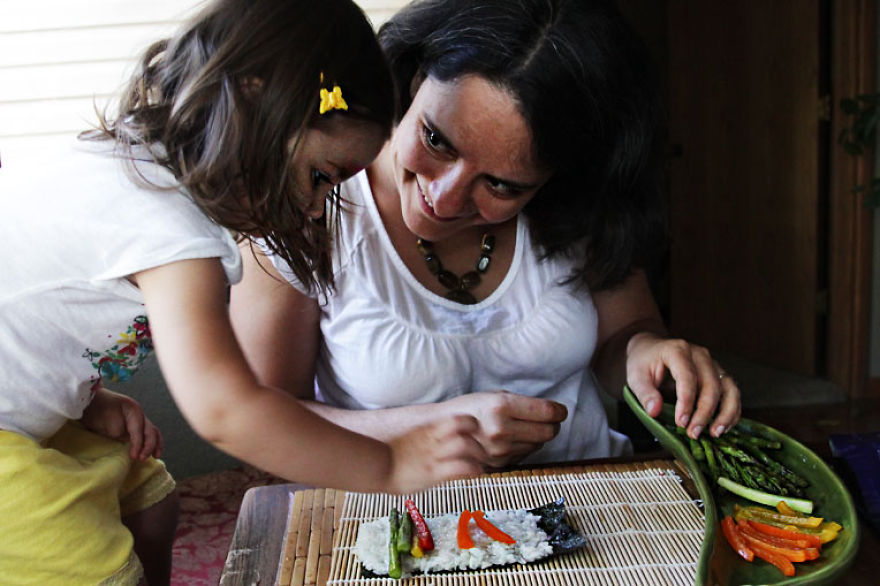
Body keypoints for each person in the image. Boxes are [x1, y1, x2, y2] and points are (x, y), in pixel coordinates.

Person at [0, 1, 488, 584]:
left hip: (21, 409)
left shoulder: (129, 169)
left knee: (153, 501)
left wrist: (86, 395)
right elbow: (226, 408)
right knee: (97, 570)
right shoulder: (170, 231)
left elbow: (33, 303)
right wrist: (388, 466)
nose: (313, 208)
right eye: (321, 177)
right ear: (257, 102)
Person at [231, 0, 742, 469]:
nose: (445, 199)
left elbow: (622, 337)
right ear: (414, 82)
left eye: (501, 184)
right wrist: (425, 432)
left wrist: (646, 354)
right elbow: (260, 431)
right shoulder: (312, 200)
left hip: (597, 508)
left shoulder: (578, 203)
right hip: (399, 530)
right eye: (436, 140)